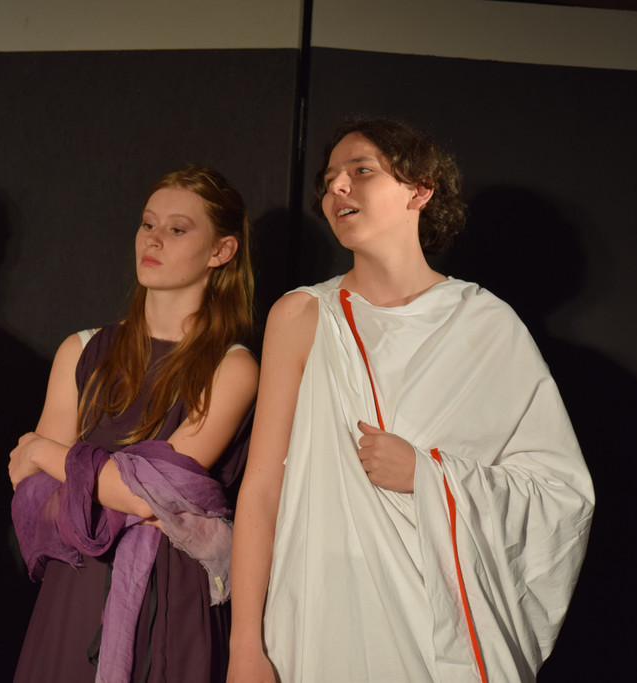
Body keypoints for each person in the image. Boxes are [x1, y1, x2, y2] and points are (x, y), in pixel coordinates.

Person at [227, 118, 594, 682]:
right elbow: (261, 491)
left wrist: (427, 476)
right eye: (329, 180)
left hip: (438, 628)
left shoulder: (485, 324)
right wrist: (244, 647)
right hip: (322, 614)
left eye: (361, 171)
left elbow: (559, 495)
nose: (337, 188)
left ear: (420, 190)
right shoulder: (302, 316)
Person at [8, 165, 258, 683]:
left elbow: (147, 495)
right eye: (148, 224)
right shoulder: (80, 349)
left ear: (221, 251)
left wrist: (41, 452)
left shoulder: (232, 367)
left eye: (177, 229)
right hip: (76, 586)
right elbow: (30, 493)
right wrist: (113, 490)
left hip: (171, 596)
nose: (154, 239)